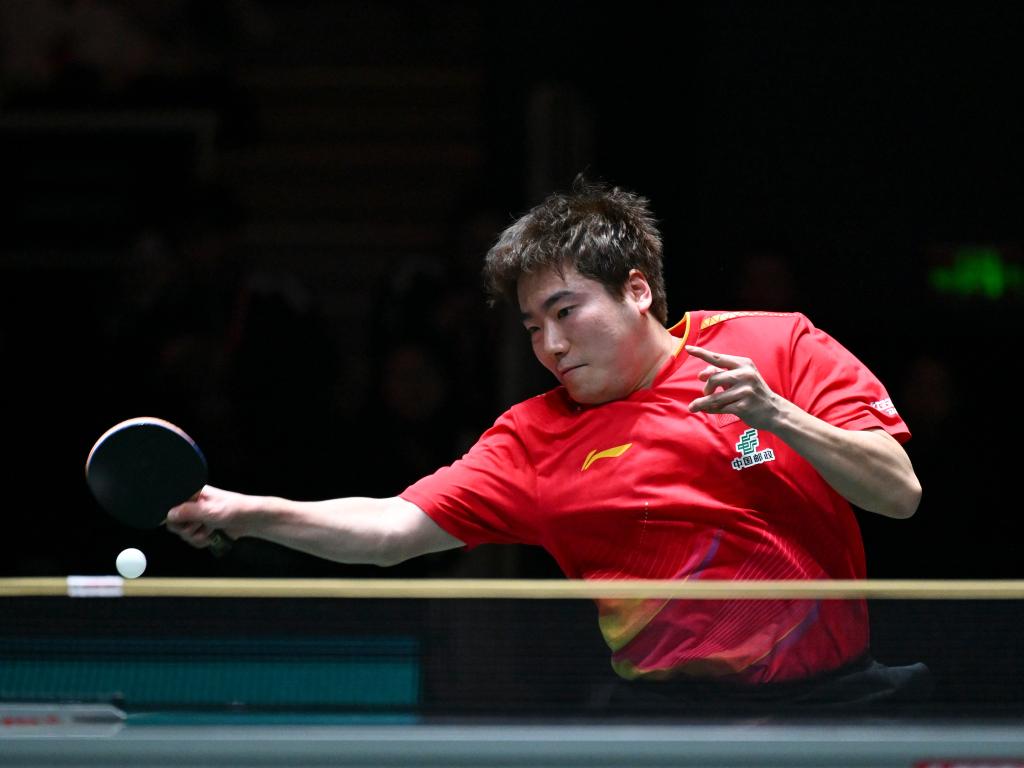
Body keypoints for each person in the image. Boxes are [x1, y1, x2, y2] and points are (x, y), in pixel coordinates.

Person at [167, 179, 925, 707]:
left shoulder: (774, 346)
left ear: (636, 291)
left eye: (566, 312)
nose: (551, 345)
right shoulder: (533, 438)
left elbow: (898, 493)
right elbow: (392, 530)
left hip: (835, 702)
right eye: (533, 326)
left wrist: (779, 416)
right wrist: (247, 511)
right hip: (673, 723)